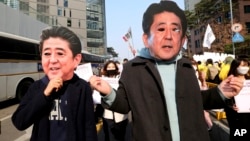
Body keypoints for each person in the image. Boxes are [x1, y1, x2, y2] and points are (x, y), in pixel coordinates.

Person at [89, 1, 243, 141]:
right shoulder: (133, 69)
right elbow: (124, 104)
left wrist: (220, 92)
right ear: (145, 38)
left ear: (182, 40)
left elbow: (196, 100)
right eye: (161, 29)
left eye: (175, 29)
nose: (169, 36)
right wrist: (108, 92)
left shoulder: (186, 66)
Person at [11, 26, 97, 141]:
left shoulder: (82, 87)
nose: (52, 60)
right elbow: (19, 122)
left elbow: (89, 127)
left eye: (60, 53)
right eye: (47, 54)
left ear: (76, 59)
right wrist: (44, 94)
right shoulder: (36, 87)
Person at [101, 60, 128, 141]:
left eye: (113, 67)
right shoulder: (102, 80)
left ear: (116, 68)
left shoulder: (121, 79)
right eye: (109, 67)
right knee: (108, 137)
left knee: (120, 137)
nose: (111, 69)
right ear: (105, 69)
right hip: (107, 114)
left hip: (121, 115)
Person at [224, 57, 250, 141]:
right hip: (237, 118)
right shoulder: (228, 83)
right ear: (235, 67)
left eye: (246, 65)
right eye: (241, 66)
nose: (244, 68)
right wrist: (231, 106)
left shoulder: (249, 82)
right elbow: (224, 100)